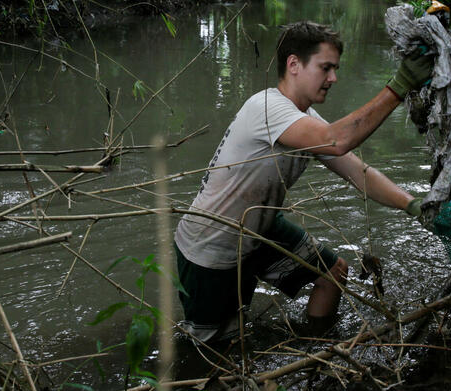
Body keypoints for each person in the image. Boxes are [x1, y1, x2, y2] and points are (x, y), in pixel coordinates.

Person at [175, 20, 433, 343]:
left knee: (333, 272)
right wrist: (401, 84)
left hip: (258, 231)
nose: (333, 78)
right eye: (325, 68)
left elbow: (360, 174)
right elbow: (337, 140)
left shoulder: (305, 121)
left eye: (335, 69)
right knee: (219, 352)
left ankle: (315, 350)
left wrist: (414, 206)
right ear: (294, 64)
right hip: (212, 247)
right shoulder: (266, 108)